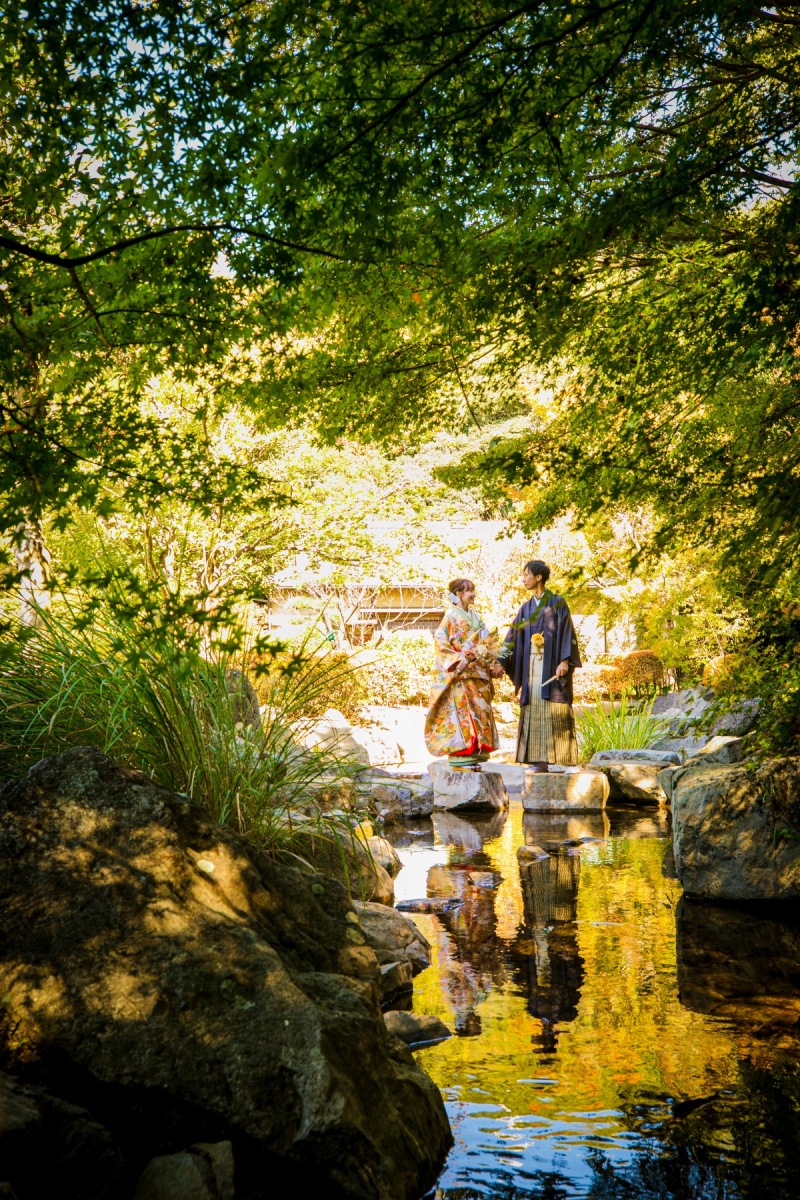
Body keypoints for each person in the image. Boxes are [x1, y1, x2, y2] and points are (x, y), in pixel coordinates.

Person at [502, 560, 582, 772]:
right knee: (535, 710)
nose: (523, 579)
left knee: (558, 709)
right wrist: (500, 661)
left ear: (538, 577)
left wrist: (565, 660)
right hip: (531, 668)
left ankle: (567, 761)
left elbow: (567, 631)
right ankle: (539, 762)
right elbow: (512, 637)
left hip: (553, 665)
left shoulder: (558, 602)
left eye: (526, 575)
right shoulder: (525, 608)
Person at [424, 578, 505, 770]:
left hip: (477, 673)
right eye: (469, 591)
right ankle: (461, 755)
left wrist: (494, 662)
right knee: (462, 714)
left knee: (480, 712)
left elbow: (489, 644)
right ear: (458, 594)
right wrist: (460, 658)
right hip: (461, 673)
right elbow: (440, 642)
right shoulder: (450, 616)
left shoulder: (477, 618)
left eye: (473, 589)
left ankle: (477, 754)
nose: (473, 594)